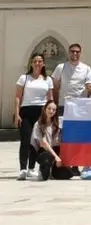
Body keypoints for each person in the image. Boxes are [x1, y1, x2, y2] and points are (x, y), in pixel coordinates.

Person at [14, 52, 53, 180]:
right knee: (25, 140)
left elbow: (50, 99)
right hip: (26, 112)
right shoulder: (24, 78)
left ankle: (31, 168)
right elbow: (18, 97)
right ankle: (23, 169)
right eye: (35, 61)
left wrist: (51, 115)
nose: (37, 63)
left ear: (43, 64)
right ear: (31, 63)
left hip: (41, 112)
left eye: (40, 61)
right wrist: (17, 114)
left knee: (37, 141)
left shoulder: (48, 80)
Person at [32, 100, 74, 181]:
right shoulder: (38, 124)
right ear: (44, 109)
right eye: (49, 108)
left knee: (68, 174)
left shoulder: (58, 122)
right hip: (44, 152)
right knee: (47, 158)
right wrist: (56, 157)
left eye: (54, 110)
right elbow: (44, 144)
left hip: (56, 150)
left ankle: (53, 171)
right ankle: (43, 170)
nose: (51, 111)